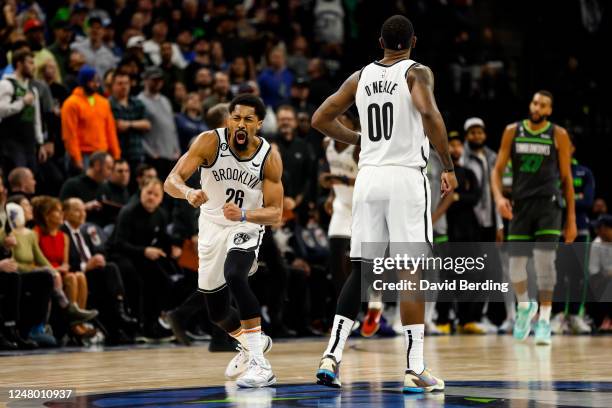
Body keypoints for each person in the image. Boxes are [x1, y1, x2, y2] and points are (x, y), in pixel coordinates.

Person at [311, 15, 456, 392]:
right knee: (410, 271)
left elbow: (320, 118)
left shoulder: (359, 77)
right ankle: (415, 368)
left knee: (360, 271)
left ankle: (331, 355)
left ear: (380, 42)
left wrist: (357, 138)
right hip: (405, 176)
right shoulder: (417, 72)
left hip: (369, 178)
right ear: (413, 41)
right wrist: (448, 164)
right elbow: (429, 113)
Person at [164, 94, 284, 388]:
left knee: (235, 275)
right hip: (210, 227)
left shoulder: (269, 156)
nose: (240, 124)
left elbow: (275, 213)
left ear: (259, 124)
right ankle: (251, 343)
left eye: (248, 119)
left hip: (245, 225)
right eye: (236, 117)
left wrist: (244, 213)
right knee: (216, 311)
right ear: (229, 118)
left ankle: (260, 365)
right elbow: (172, 180)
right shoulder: (209, 142)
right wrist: (188, 192)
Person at [491, 90, 577, 346]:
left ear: (549, 110)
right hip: (521, 205)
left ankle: (544, 321)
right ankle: (526, 306)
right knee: (516, 267)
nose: (537, 107)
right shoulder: (512, 131)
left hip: (549, 207)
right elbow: (496, 172)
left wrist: (570, 218)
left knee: (544, 264)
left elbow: (566, 178)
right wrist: (498, 198)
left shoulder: (558, 134)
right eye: (535, 102)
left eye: (543, 105)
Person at [31, 196, 97, 339]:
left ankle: (78, 321)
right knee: (73, 277)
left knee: (79, 275)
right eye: (58, 211)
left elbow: (65, 263)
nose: (62, 215)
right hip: (47, 274)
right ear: (46, 215)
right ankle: (73, 324)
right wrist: (56, 269)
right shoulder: (36, 234)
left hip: (60, 272)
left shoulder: (63, 236)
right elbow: (34, 262)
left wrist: (62, 268)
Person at [61, 65, 121, 171]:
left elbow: (110, 130)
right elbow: (69, 134)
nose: (96, 84)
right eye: (92, 81)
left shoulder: (103, 102)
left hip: (102, 153)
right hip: (83, 154)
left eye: (97, 81)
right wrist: (77, 158)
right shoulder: (71, 103)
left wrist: (116, 155)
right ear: (84, 82)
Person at [0, 49, 43, 174]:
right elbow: (1, 110)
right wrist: (22, 103)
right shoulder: (6, 84)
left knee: (32, 175)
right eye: (30, 63)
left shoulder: (32, 89)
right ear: (19, 64)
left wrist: (40, 143)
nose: (33, 67)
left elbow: (37, 119)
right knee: (19, 174)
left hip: (29, 141)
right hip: (11, 140)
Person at [137, 66, 181, 180]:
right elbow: (138, 133)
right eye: (154, 80)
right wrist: (150, 152)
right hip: (155, 156)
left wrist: (176, 148)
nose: (158, 82)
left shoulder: (165, 100)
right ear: (145, 80)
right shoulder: (140, 101)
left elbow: (172, 127)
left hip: (171, 155)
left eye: (160, 80)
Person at [108, 72, 151, 172]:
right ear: (112, 85)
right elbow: (115, 126)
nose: (124, 86)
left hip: (137, 152)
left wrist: (128, 124)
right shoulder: (107, 104)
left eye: (126, 83)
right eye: (120, 83)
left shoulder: (137, 103)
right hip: (117, 153)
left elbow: (147, 124)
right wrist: (137, 124)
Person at [59, 151, 114, 226]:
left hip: (101, 230)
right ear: (97, 165)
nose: (111, 173)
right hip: (79, 227)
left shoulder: (105, 188)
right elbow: (62, 211)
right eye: (108, 168)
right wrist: (84, 207)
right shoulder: (72, 184)